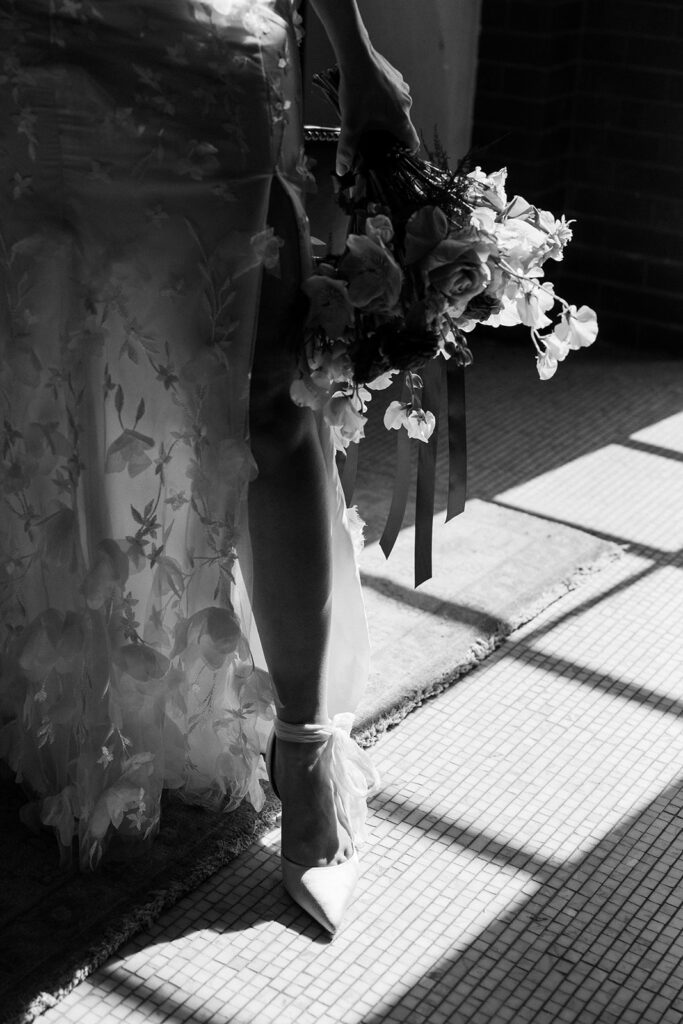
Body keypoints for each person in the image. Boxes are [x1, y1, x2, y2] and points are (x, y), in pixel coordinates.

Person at [0, 0, 418, 934]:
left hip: (199, 45)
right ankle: (59, 695)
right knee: (44, 366)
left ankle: (308, 755)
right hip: (28, 50)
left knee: (266, 403)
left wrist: (353, 53)